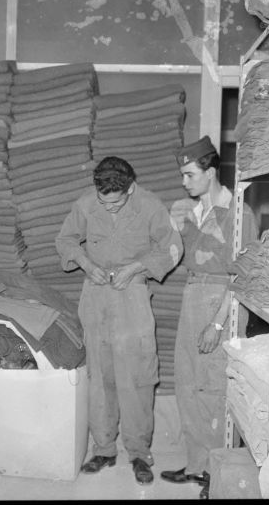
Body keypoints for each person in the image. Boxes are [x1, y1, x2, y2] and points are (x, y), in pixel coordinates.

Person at [55, 156, 183, 485]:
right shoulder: (86, 203)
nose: (109, 210)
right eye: (103, 203)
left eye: (116, 204)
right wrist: (84, 262)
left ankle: (139, 453)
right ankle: (104, 448)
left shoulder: (151, 206)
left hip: (133, 298)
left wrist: (137, 267)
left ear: (130, 189)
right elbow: (65, 240)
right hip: (95, 297)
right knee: (99, 377)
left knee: (137, 378)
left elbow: (173, 247)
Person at [160, 136, 258, 498]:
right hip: (193, 294)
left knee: (215, 389)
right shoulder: (191, 210)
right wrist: (174, 222)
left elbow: (242, 277)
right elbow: (175, 255)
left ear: (211, 172)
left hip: (222, 300)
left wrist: (219, 322)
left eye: (189, 175)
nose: (184, 183)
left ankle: (218, 472)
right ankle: (197, 465)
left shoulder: (239, 212)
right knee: (188, 383)